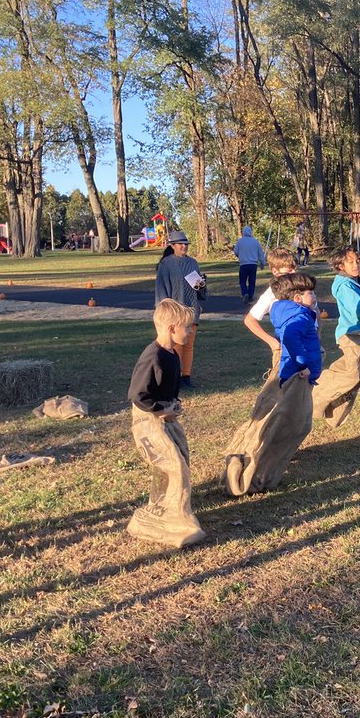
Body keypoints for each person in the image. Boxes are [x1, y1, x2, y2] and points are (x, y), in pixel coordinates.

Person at [223, 273, 321, 496]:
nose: (315, 296)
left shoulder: (300, 313)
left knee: (295, 425)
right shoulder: (298, 318)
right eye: (310, 293)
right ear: (297, 298)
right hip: (296, 377)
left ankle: (263, 475)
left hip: (299, 376)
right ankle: (250, 476)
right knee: (288, 426)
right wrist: (304, 365)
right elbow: (291, 340)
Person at [125, 298, 205, 547]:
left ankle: (170, 505)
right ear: (172, 328)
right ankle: (173, 519)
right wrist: (161, 410)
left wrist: (174, 404)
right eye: (188, 327)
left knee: (181, 458)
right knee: (173, 466)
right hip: (147, 420)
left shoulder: (172, 354)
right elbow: (138, 395)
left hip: (166, 414)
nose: (191, 331)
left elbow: (170, 386)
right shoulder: (153, 357)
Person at [312, 249, 360, 427]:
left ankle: (334, 416)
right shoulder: (346, 286)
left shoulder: (356, 282)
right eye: (350, 262)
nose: (356, 265)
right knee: (352, 374)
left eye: (357, 261)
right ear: (341, 265)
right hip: (350, 334)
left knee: (358, 375)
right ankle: (314, 396)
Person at [154, 230, 208, 388]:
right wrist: (164, 310)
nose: (184, 247)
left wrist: (202, 284)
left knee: (189, 345)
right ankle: (174, 377)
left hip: (191, 309)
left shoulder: (192, 263)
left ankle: (186, 376)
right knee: (176, 345)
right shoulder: (167, 264)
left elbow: (199, 289)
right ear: (173, 245)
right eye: (181, 244)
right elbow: (161, 288)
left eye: (186, 244)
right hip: (175, 312)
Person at [244, 247, 298, 360]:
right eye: (289, 271)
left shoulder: (302, 289)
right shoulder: (271, 294)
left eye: (294, 269)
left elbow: (315, 311)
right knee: (285, 378)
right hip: (284, 349)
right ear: (275, 272)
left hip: (305, 345)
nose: (294, 273)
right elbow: (249, 320)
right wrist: (272, 342)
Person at [233, 226, 266, 304]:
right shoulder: (255, 241)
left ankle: (245, 293)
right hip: (253, 264)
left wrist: (240, 255)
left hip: (243, 264)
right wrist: (262, 263)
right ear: (251, 232)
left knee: (242, 281)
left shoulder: (240, 241)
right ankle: (250, 296)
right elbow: (260, 253)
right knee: (252, 281)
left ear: (243, 232)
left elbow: (236, 252)